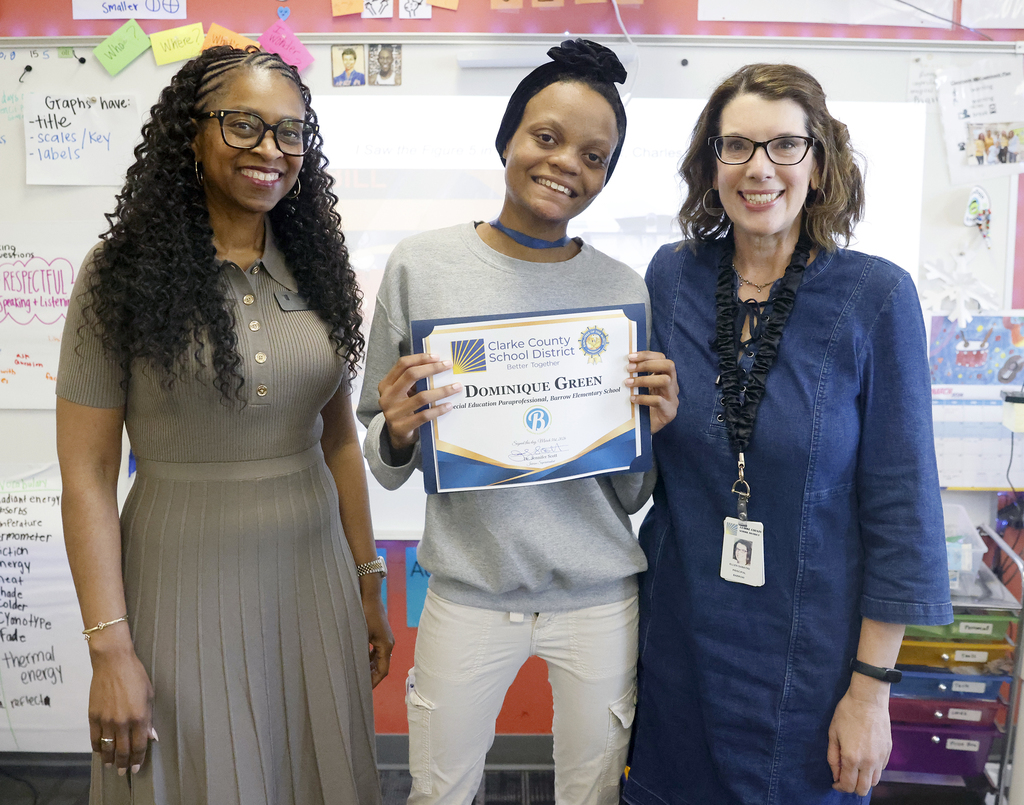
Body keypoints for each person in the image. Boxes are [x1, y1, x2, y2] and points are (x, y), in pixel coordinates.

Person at [55, 46, 393, 805]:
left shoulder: (319, 266)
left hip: (313, 578)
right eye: (243, 125)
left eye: (290, 132)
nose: (270, 149)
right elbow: (86, 473)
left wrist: (367, 583)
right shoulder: (117, 272)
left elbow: (338, 437)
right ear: (191, 135)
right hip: (178, 577)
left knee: (316, 767)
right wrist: (109, 646)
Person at [356, 39, 677, 805]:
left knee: (594, 792)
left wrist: (652, 430)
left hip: (599, 592)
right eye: (547, 137)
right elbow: (380, 437)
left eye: (595, 155)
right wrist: (398, 428)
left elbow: (631, 491)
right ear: (507, 138)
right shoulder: (420, 265)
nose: (568, 162)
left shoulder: (622, 287)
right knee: (437, 790)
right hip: (469, 586)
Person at [623, 63, 951, 805]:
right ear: (712, 164)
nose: (759, 168)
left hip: (811, 664)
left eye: (783, 146)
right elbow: (641, 455)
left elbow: (903, 509)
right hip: (679, 644)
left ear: (820, 161)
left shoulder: (877, 297)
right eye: (736, 146)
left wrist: (871, 693)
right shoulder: (671, 278)